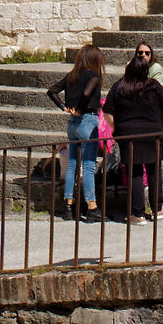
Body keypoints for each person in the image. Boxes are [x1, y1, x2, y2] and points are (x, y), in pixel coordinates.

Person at [105, 55, 163, 224]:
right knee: (154, 171)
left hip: (128, 135)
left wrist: (117, 128)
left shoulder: (119, 87)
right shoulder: (154, 86)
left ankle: (138, 214)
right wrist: (162, 127)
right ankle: (157, 209)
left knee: (134, 172)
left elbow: (107, 112)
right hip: (152, 134)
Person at [45, 44, 106, 223]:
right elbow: (87, 93)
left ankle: (68, 206)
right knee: (88, 165)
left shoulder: (71, 76)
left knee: (72, 164)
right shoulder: (94, 76)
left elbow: (52, 91)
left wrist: (64, 107)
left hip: (72, 124)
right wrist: (80, 108)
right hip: (88, 121)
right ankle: (91, 207)